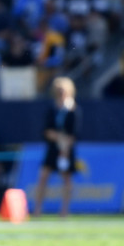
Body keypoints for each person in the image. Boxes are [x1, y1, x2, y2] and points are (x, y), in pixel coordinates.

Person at [33, 76, 80, 218]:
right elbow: (46, 131)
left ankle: (64, 210)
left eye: (63, 90)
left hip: (66, 150)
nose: (60, 93)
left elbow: (74, 134)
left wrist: (64, 147)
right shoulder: (52, 109)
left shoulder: (73, 110)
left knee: (66, 179)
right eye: (58, 90)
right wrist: (59, 138)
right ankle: (37, 209)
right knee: (43, 177)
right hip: (52, 148)